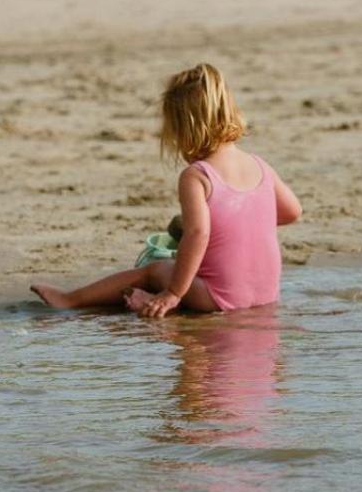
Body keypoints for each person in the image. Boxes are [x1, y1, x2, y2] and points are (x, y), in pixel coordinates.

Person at [31, 63, 302, 316]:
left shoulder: (197, 176)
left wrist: (172, 293)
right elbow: (293, 212)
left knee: (156, 270)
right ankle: (157, 300)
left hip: (217, 297)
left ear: (185, 131)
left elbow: (198, 234)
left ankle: (71, 299)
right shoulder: (260, 166)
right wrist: (238, 225)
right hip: (267, 296)